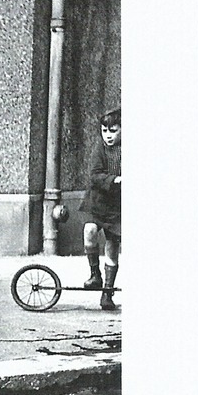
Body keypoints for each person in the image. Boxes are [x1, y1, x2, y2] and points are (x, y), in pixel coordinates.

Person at [78, 107, 121, 310]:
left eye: (113, 130)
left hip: (118, 207)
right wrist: (115, 180)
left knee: (112, 246)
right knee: (90, 230)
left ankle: (107, 292)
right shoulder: (100, 149)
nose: (108, 136)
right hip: (97, 202)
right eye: (105, 131)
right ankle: (95, 273)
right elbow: (94, 175)